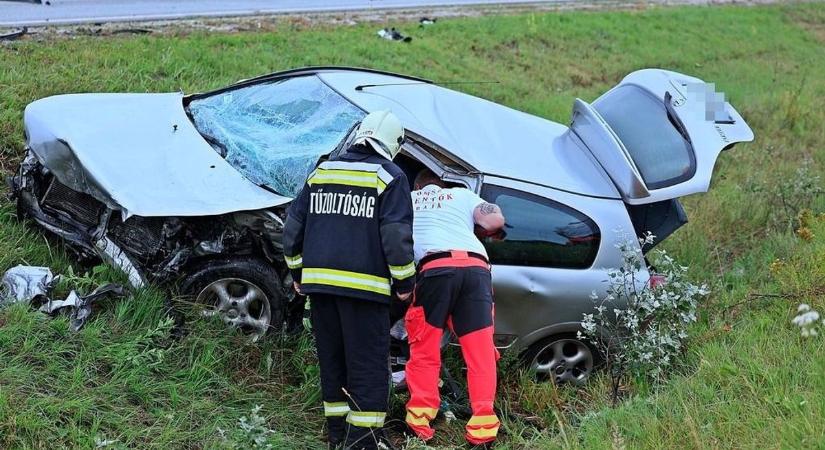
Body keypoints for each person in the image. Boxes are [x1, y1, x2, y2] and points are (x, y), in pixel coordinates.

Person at [283, 110, 415, 450]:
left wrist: (298, 274)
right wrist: (405, 284)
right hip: (366, 293)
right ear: (393, 143)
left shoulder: (323, 171)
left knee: (334, 364)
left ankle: (337, 436)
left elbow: (292, 229)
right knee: (367, 369)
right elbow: (396, 237)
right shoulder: (390, 177)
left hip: (321, 291)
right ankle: (363, 443)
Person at [404, 169, 506, 446]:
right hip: (476, 269)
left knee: (425, 348)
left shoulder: (407, 198)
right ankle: (483, 430)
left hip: (435, 269)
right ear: (442, 186)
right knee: (480, 353)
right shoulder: (462, 195)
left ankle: (419, 423)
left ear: (418, 187)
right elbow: (494, 220)